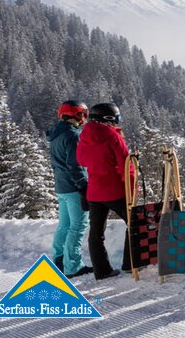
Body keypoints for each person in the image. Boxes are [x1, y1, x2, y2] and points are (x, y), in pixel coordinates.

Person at [76, 102, 133, 280]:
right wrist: (131, 188)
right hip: (115, 190)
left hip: (94, 192)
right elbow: (125, 165)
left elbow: (81, 159)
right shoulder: (113, 136)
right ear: (108, 118)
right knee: (134, 224)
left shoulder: (84, 134)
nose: (118, 122)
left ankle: (102, 270)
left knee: (96, 233)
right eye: (117, 118)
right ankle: (131, 264)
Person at [47, 100, 93, 278]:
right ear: (76, 114)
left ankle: (59, 260)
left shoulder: (57, 134)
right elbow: (75, 165)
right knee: (78, 225)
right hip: (73, 187)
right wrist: (83, 186)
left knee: (65, 225)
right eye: (83, 114)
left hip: (61, 186)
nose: (84, 118)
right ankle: (73, 266)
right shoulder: (73, 135)